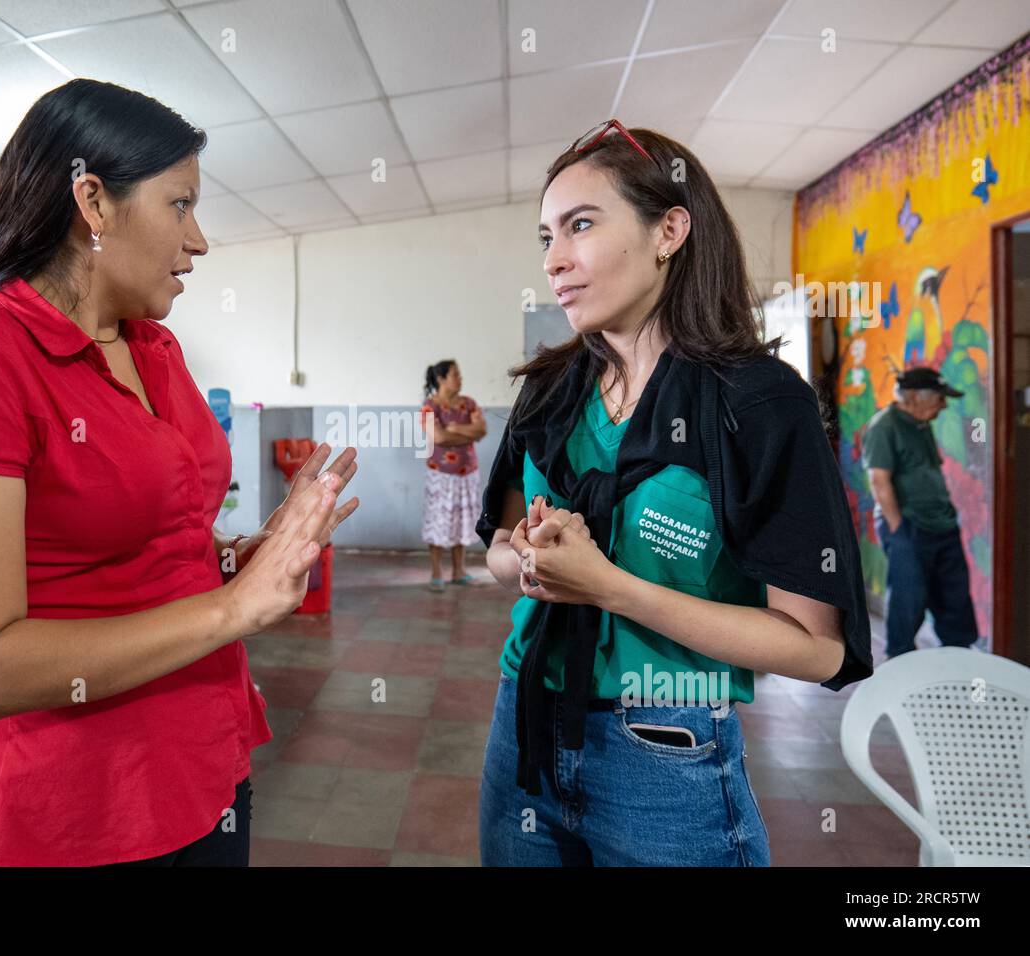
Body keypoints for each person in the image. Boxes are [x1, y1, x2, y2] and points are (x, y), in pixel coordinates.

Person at [0, 79, 360, 867]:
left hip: (208, 763)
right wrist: (233, 609)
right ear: (93, 202)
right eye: (179, 205)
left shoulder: (155, 350)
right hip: (78, 813)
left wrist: (244, 555)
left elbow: (160, 543)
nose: (199, 241)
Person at [476, 121, 873, 866]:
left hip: (665, 749)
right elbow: (498, 548)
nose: (555, 261)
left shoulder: (757, 404)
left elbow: (816, 649)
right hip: (521, 728)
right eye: (545, 238)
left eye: (581, 226)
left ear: (670, 230)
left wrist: (610, 588)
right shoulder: (548, 390)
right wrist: (527, 566)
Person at [863, 366, 980, 657]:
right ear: (914, 396)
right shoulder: (884, 426)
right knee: (909, 599)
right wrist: (898, 529)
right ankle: (900, 663)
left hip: (943, 525)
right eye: (940, 398)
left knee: (954, 599)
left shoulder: (921, 424)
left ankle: (959, 659)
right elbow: (879, 480)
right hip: (909, 526)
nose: (944, 405)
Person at [419, 360, 487, 591]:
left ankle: (459, 571)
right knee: (438, 519)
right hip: (441, 475)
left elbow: (482, 430)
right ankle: (436, 573)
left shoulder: (468, 404)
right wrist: (466, 434)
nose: (460, 379)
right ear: (441, 379)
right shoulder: (429, 406)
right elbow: (438, 438)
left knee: (463, 520)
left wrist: (455, 430)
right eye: (455, 375)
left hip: (467, 474)